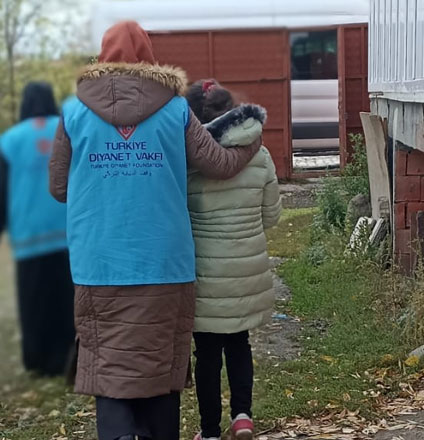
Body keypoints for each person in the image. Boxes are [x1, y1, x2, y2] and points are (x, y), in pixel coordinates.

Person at [48, 21, 263, 440]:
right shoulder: (175, 109)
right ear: (148, 57)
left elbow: (58, 188)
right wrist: (252, 141)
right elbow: (217, 164)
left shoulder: (73, 111)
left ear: (102, 56)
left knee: (107, 368)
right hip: (166, 261)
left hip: (99, 263)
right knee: (161, 370)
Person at [185, 79, 282, 440]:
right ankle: (242, 416)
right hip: (245, 267)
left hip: (205, 272)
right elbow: (271, 216)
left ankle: (209, 431)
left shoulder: (188, 160)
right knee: (239, 344)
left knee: (207, 354)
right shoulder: (260, 153)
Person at [0, 81, 75, 377]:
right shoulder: (67, 129)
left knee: (34, 300)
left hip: (29, 236)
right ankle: (67, 356)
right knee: (66, 298)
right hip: (67, 232)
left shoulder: (10, 140)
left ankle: (38, 360)